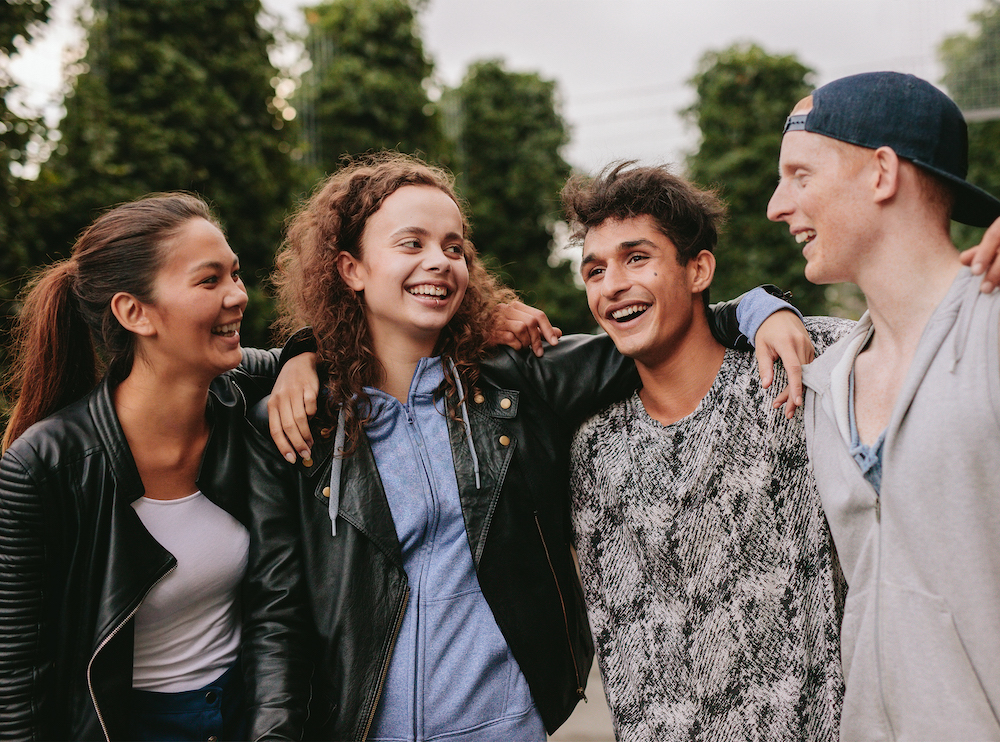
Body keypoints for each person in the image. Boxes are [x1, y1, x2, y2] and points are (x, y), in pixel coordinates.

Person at [242, 152, 810, 741]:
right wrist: (301, 355)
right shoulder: (295, 423)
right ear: (350, 269)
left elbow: (666, 324)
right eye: (411, 244)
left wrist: (760, 307)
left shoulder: (519, 381)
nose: (439, 261)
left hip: (510, 728)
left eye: (454, 247)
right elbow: (276, 621)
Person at [561, 162, 850, 741]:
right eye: (595, 269)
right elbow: (622, 647)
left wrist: (769, 306)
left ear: (698, 269)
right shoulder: (593, 447)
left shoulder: (801, 370)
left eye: (636, 257)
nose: (612, 284)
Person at [0, 193, 294, 741]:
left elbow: (343, 350)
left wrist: (301, 359)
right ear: (134, 312)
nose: (238, 295)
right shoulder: (43, 466)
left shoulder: (239, 393)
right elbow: (16, 678)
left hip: (247, 716)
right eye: (209, 281)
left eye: (235, 274)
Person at [767, 71, 1000, 741]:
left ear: (882, 173)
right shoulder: (824, 381)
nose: (777, 206)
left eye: (799, 175)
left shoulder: (990, 330)